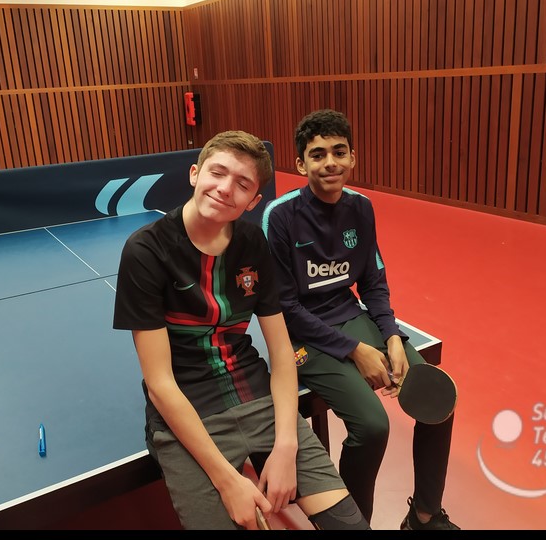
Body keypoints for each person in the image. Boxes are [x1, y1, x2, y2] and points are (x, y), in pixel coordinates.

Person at [113, 130, 370, 530]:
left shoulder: (252, 243)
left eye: (242, 184)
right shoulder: (145, 251)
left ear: (252, 201)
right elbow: (160, 384)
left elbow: (282, 353)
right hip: (188, 411)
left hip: (256, 395)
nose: (224, 188)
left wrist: (286, 447)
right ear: (195, 173)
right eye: (217, 172)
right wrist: (228, 480)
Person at [261, 109, 460, 530]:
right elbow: (284, 308)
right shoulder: (280, 216)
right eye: (317, 155)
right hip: (301, 336)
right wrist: (355, 350)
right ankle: (355, 526)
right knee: (372, 426)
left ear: (353, 157)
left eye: (339, 152)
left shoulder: (362, 208)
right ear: (301, 164)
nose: (329, 162)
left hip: (351, 315)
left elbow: (372, 282)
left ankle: (424, 515)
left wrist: (391, 336)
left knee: (438, 403)